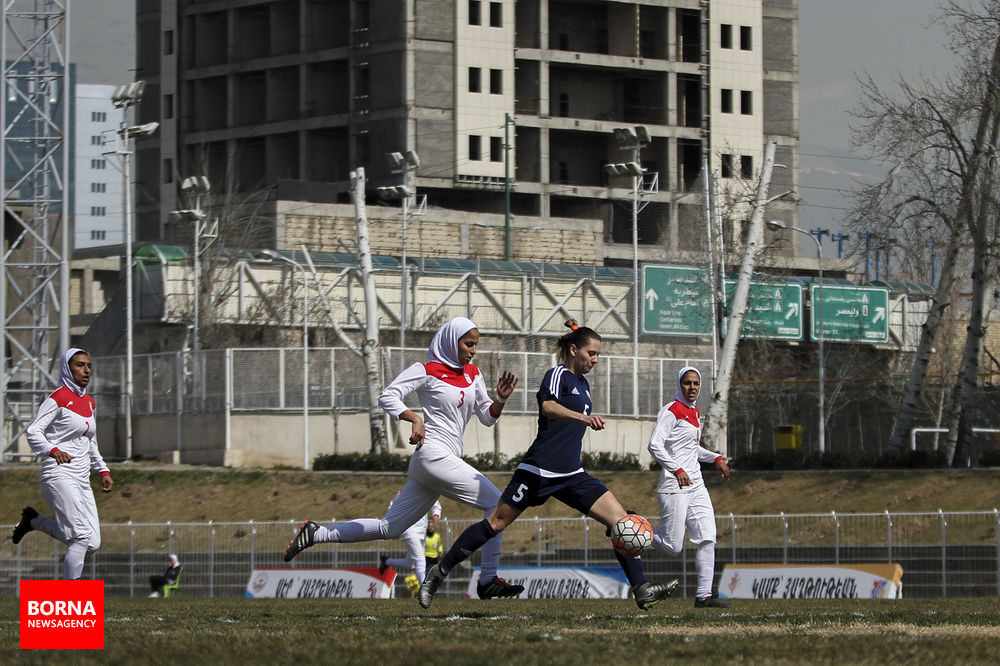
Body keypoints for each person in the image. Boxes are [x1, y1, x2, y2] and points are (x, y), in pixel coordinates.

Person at [418, 320, 679, 610]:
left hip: (572, 475)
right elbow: (548, 406)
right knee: (495, 523)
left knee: (622, 521)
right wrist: (584, 418)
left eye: (597, 355)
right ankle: (437, 574)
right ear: (573, 350)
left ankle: (641, 589)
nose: (594, 360)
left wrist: (576, 449)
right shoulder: (558, 374)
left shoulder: (583, 384)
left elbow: (568, 429)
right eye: (590, 353)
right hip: (538, 471)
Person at [284, 316, 524, 599]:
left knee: (391, 527)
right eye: (468, 344)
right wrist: (413, 418)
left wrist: (501, 400)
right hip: (432, 455)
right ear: (451, 341)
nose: (473, 350)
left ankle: (316, 533)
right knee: (498, 505)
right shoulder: (427, 369)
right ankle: (488, 579)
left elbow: (487, 418)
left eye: (475, 345)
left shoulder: (473, 374)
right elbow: (388, 396)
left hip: (436, 465)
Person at [10, 348, 113, 580]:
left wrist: (103, 469)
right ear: (68, 368)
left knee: (93, 543)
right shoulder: (58, 398)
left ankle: (33, 521)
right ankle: (69, 596)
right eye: (79, 365)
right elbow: (34, 430)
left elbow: (90, 441)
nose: (86, 370)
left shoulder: (89, 403)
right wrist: (52, 450)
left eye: (89, 365)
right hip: (58, 475)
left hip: (82, 477)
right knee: (80, 537)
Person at [647, 366, 731, 608]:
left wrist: (716, 458)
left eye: (696, 383)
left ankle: (704, 596)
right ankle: (632, 526)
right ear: (679, 384)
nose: (692, 387)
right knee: (673, 546)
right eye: (687, 383)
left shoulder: (694, 412)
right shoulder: (671, 410)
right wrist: (677, 469)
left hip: (696, 485)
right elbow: (654, 445)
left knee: (707, 537)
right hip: (675, 484)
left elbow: (691, 450)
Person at [378, 495, 442, 588]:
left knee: (410, 563)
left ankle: (386, 561)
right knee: (420, 560)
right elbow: (392, 507)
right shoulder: (404, 492)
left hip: (422, 532)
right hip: (409, 529)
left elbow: (435, 504)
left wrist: (436, 515)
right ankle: (425, 590)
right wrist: (392, 526)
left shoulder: (427, 489)